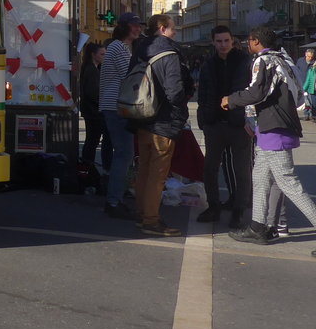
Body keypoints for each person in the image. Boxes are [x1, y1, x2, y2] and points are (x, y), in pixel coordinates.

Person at [223, 26, 316, 252]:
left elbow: (257, 92)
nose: (247, 44)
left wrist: (231, 99)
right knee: (260, 176)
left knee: (287, 182)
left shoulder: (263, 61)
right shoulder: (282, 59)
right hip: (272, 125)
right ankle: (258, 226)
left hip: (275, 127)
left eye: (249, 40)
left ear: (256, 41)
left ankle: (261, 226)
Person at [132, 13, 191, 237]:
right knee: (158, 175)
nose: (175, 32)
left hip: (141, 115)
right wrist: (180, 114)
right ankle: (151, 220)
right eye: (172, 28)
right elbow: (175, 90)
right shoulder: (169, 52)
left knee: (144, 170)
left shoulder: (140, 48)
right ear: (162, 28)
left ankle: (141, 213)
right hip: (163, 120)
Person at [195, 25, 252, 227]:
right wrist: (203, 118)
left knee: (242, 170)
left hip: (238, 125)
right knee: (210, 168)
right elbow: (202, 93)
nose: (223, 45)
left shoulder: (245, 62)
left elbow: (251, 92)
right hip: (214, 124)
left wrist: (248, 120)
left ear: (232, 40)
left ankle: (238, 210)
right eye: (219, 41)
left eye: (226, 40)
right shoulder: (208, 64)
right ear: (213, 42)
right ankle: (214, 207)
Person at [98, 12, 142, 219]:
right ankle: (113, 201)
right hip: (117, 107)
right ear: (124, 27)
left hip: (115, 106)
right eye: (134, 25)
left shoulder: (120, 47)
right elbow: (132, 76)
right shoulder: (118, 47)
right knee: (123, 154)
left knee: (123, 154)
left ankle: (116, 198)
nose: (138, 28)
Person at [78, 41, 110, 171]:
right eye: (102, 54)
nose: (104, 57)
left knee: (92, 140)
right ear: (93, 55)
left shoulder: (94, 68)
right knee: (92, 140)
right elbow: (92, 92)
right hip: (93, 111)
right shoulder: (91, 70)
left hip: (91, 110)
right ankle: (87, 166)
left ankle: (87, 165)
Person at [301, 47, 316, 122]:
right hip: (302, 82)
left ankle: (312, 115)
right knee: (305, 101)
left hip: (311, 85)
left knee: (312, 101)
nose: (310, 58)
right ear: (305, 55)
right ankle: (306, 114)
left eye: (311, 57)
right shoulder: (300, 61)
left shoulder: (314, 63)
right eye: (308, 56)